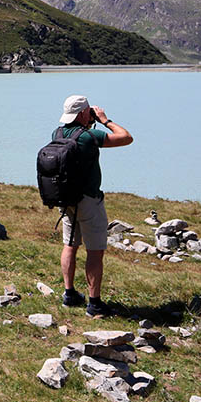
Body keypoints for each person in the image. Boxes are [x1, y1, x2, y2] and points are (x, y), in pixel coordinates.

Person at [54, 94, 133, 317]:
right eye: (89, 111)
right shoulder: (89, 136)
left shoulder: (57, 133)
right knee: (95, 251)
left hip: (67, 200)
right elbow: (126, 137)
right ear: (82, 113)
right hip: (88, 199)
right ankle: (94, 303)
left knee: (70, 245)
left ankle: (69, 294)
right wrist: (104, 119)